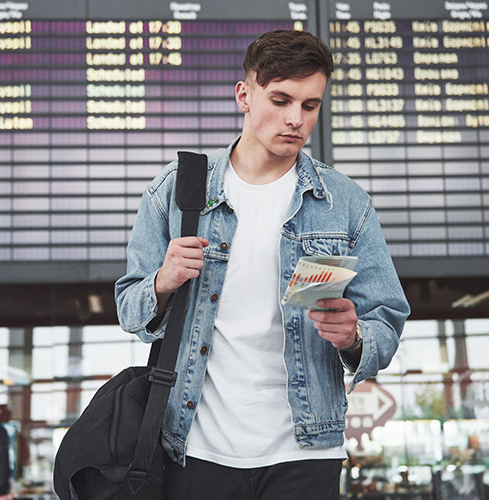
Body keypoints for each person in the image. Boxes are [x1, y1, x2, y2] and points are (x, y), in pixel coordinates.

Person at [115, 30, 410, 500]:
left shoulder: (344, 203)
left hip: (306, 451)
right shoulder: (176, 190)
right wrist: (162, 282)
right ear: (244, 95)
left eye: (310, 105)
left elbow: (386, 320)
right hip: (194, 448)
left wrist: (355, 338)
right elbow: (131, 309)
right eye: (280, 99)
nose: (295, 119)